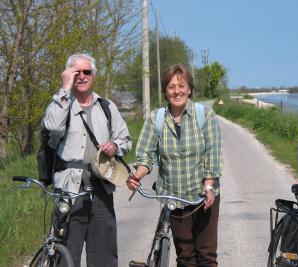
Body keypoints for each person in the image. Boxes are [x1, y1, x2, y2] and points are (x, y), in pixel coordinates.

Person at [127, 63, 223, 266]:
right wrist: (138, 175)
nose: (177, 91)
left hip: (203, 195)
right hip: (174, 196)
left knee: (206, 255)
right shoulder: (157, 119)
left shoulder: (204, 115)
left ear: (189, 89)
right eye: (171, 87)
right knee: (185, 256)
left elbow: (213, 154)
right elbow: (146, 155)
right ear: (165, 91)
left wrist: (209, 185)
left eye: (181, 86)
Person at [43, 53, 132, 266]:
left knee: (104, 256)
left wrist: (115, 146)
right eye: (76, 72)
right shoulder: (61, 104)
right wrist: (64, 89)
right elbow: (53, 127)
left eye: (87, 72)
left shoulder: (107, 106)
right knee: (66, 256)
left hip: (102, 188)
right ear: (68, 75)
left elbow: (125, 140)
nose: (82, 76)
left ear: (94, 76)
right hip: (69, 191)